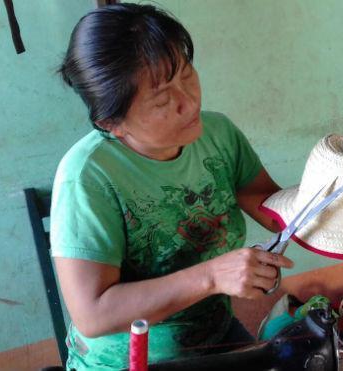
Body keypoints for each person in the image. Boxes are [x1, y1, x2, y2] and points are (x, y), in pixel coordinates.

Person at [50, 3, 293, 370]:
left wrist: (329, 201)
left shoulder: (218, 135)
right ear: (112, 123)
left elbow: (269, 205)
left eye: (187, 74)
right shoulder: (87, 176)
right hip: (131, 359)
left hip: (214, 336)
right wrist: (212, 276)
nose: (189, 102)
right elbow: (94, 314)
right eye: (162, 99)